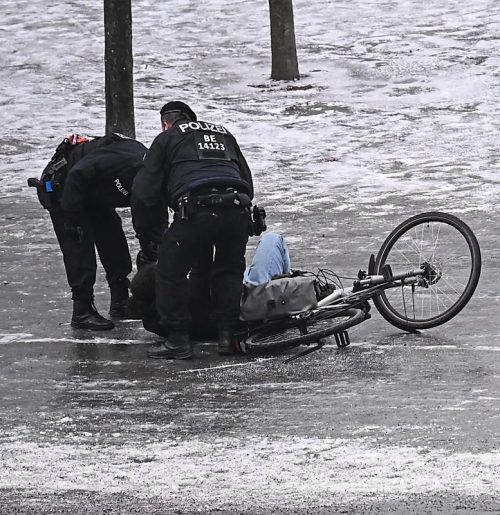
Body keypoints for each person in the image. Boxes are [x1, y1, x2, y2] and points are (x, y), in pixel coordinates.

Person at [131, 101, 254, 359]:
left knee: (169, 271)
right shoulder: (223, 133)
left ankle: (178, 340)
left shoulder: (167, 138)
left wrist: (149, 235)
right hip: (237, 208)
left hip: (197, 207)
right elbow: (246, 179)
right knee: (229, 271)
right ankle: (226, 336)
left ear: (166, 124)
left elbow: (144, 192)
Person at [30, 133, 151, 330]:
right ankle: (82, 311)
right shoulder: (126, 162)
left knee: (113, 239)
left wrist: (150, 249)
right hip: (65, 187)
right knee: (79, 248)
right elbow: (78, 173)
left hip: (94, 192)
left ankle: (120, 300)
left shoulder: (154, 177)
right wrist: (72, 220)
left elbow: (150, 218)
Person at [129, 232, 291, 350]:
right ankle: (289, 294)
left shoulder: (156, 320)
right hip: (247, 297)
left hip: (235, 305)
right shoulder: (190, 298)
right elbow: (205, 271)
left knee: (249, 269)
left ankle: (283, 291)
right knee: (273, 239)